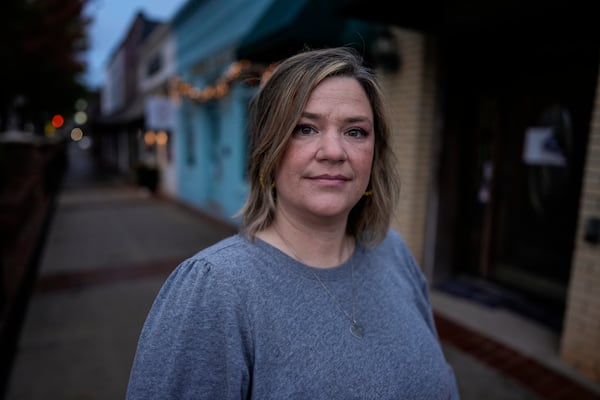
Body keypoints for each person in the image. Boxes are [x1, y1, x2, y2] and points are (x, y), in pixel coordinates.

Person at [126, 46, 460, 399]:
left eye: (356, 132)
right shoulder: (216, 290)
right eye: (305, 128)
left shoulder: (392, 252)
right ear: (268, 151)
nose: (333, 151)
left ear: (374, 154)